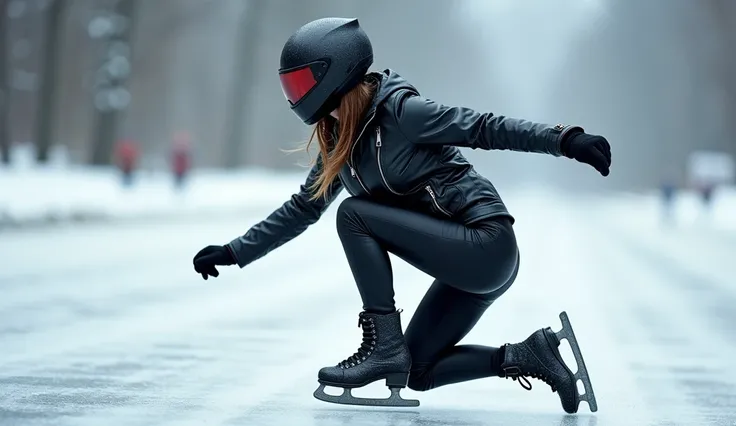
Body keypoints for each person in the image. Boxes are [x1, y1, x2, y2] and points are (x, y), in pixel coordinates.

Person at [193, 17, 610, 413]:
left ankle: (381, 346)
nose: (296, 95)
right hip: (464, 268)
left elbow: (483, 127)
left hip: (486, 244)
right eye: (289, 86)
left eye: (300, 81)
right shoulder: (342, 141)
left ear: (333, 72)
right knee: (419, 370)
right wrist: (233, 252)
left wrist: (565, 139)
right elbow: (304, 207)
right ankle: (533, 355)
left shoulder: (401, 112)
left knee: (354, 214)